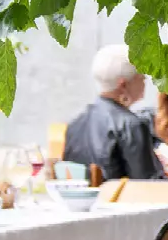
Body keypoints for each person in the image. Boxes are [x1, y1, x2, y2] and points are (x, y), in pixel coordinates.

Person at [64, 45, 162, 180]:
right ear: (123, 84)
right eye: (141, 78)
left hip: (82, 200)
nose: (145, 82)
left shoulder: (75, 123)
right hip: (120, 200)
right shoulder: (131, 125)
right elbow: (147, 183)